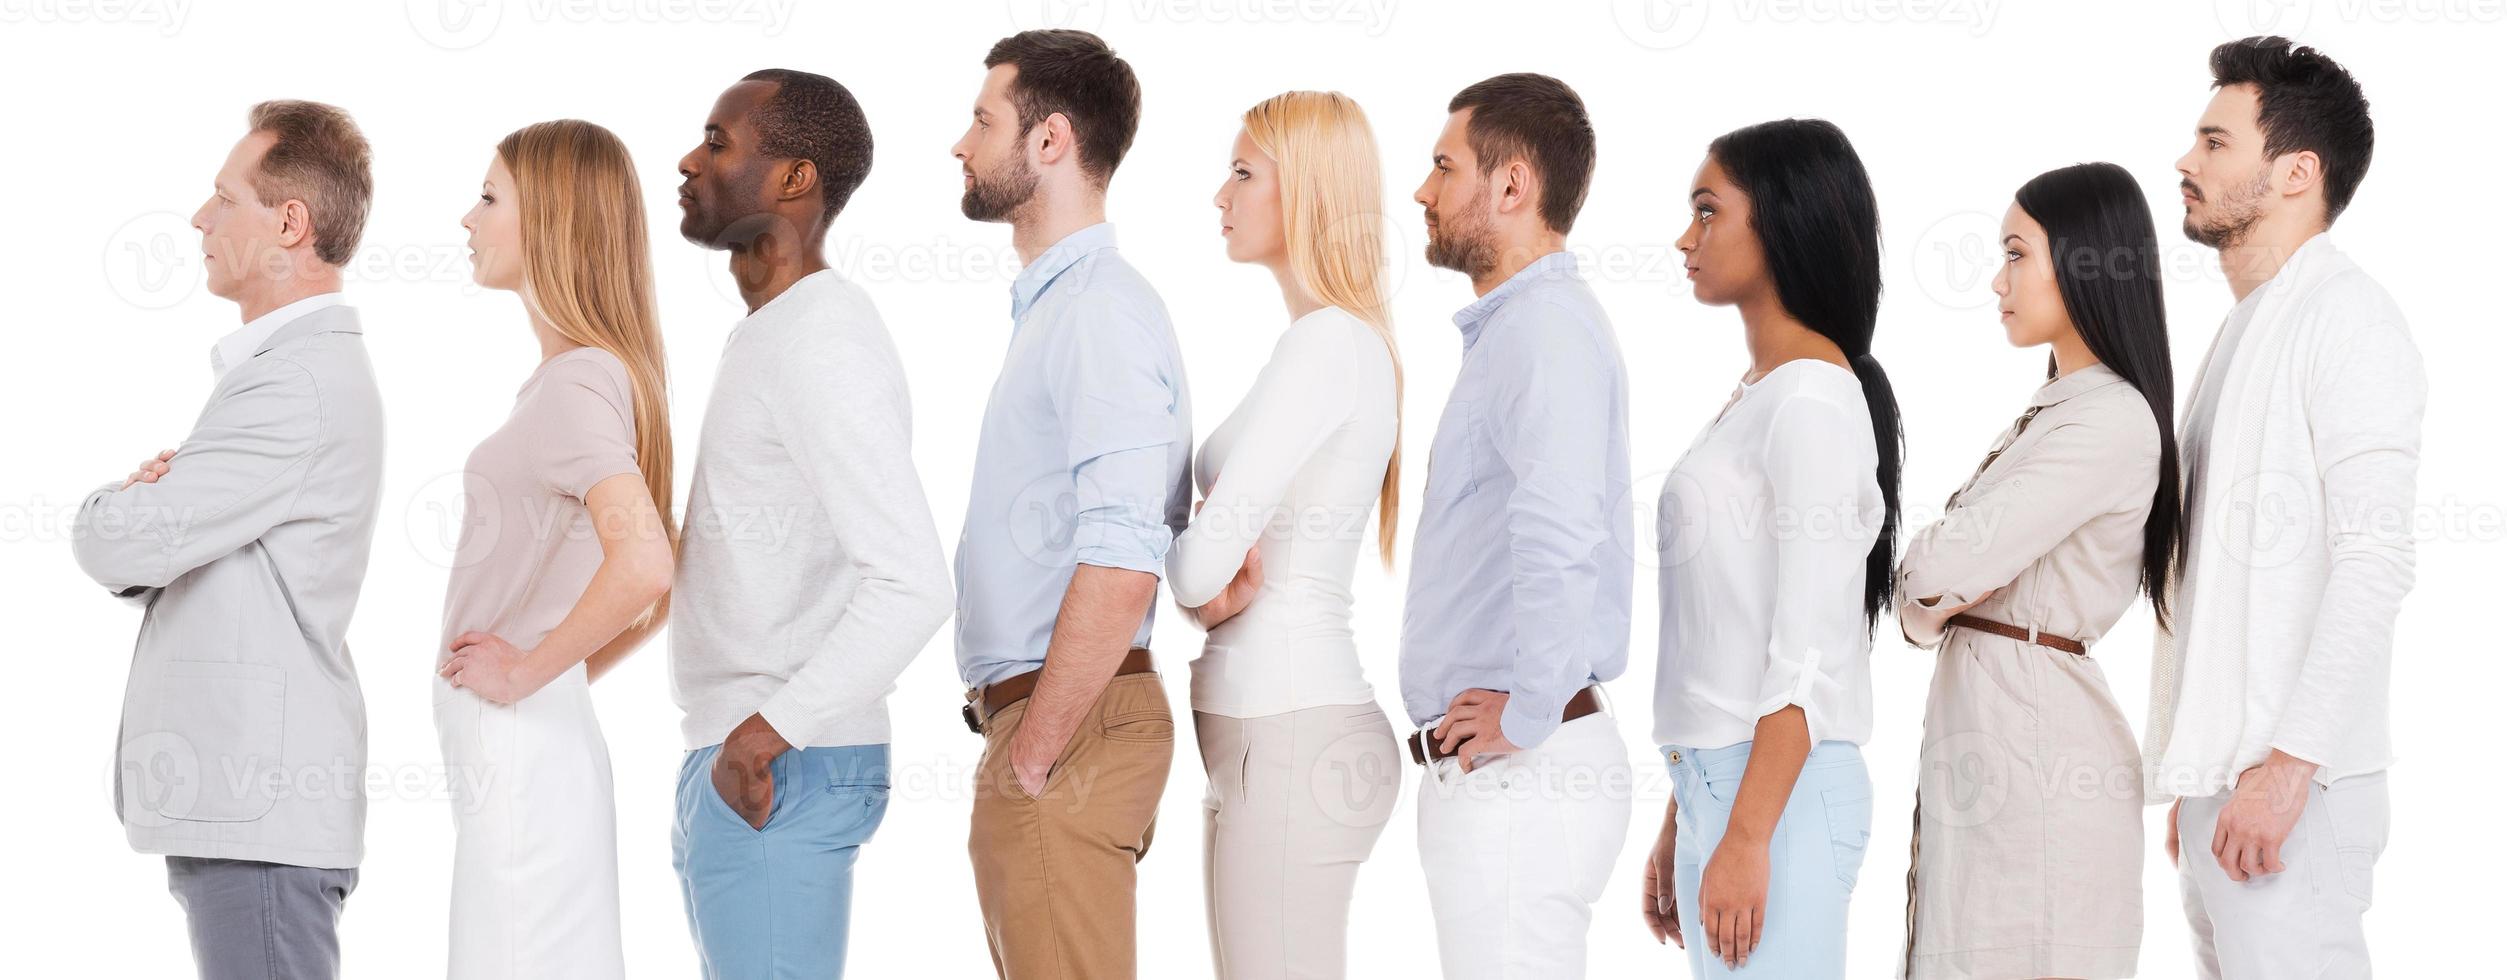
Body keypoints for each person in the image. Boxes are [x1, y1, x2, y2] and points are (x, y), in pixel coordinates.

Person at [72, 99, 383, 980]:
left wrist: (120, 506)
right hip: (251, 808)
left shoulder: (295, 385)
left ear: (290, 222)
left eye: (223, 197)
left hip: (262, 811)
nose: (200, 218)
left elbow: (115, 544)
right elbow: (166, 547)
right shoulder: (283, 376)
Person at [2144, 36, 2422, 980]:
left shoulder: (2346, 317)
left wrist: (2285, 768)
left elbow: (2375, 558)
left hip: (2295, 791)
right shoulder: (2245, 328)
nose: (2185, 161)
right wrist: (2200, 771)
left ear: (2295, 171)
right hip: (2228, 789)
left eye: (2215, 142)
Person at [668, 69, 956, 979]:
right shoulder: (775, 333)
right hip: (753, 760)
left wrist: (765, 735)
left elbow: (913, 580)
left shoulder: (819, 341)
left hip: (779, 765)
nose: (687, 160)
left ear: (794, 180)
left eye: (717, 144)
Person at [1895, 162, 2180, 980]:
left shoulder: (2111, 419)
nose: (1996, 279)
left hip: (2041, 762)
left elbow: (1930, 573)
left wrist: (1931, 594)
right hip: (1999, 738)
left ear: (2085, 263)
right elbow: (1940, 579)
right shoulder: (2060, 407)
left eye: (2016, 253)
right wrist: (1936, 591)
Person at [948, 29, 1192, 979]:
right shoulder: (1065, 309)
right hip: (1059, 721)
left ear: (1049, 141)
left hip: (1067, 723)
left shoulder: (1094, 310)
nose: (961, 145)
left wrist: (1036, 749)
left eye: (982, 119)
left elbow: (1128, 551)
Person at [1637, 118, 1900, 979]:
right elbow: (1730, 631)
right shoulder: (1764, 396)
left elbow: (1810, 651)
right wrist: (1685, 818)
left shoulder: (1811, 402)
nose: (1686, 237)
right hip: (1726, 789)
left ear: (1781, 220)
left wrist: (1745, 833)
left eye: (1708, 212)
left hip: (1773, 803)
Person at [1401, 72, 1635, 979]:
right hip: (1504, 780)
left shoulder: (1542, 332)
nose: (1422, 192)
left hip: (1522, 781)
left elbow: (1559, 533)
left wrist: (1530, 712)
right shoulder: (1520, 332)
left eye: (1441, 166)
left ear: (1511, 187)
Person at [1169, 89, 1404, 980]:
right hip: (1271, 736)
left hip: (1291, 732)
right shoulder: (1321, 344)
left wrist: (1171, 553)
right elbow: (1208, 574)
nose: (1219, 195)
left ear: (1302, 189)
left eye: (1241, 172)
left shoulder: (1328, 346)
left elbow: (1198, 570)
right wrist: (1201, 571)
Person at [434, 118, 677, 979]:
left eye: (490, 196)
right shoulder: (583, 378)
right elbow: (660, 590)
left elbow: (648, 567)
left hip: (523, 744)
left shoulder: (577, 383)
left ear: (553, 222)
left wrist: (527, 673)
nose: (468, 218)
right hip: (531, 736)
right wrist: (553, 675)